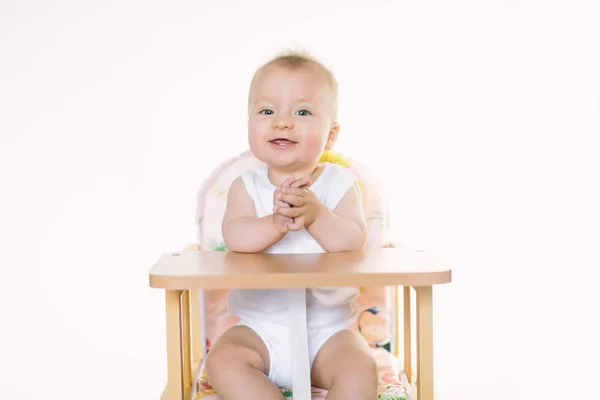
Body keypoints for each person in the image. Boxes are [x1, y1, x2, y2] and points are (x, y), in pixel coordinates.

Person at [204, 50, 378, 400]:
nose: (282, 122)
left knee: (361, 367)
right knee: (223, 361)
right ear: (250, 125)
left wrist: (317, 216)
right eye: (267, 111)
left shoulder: (339, 183)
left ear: (331, 135)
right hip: (259, 330)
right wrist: (276, 223)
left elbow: (353, 241)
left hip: (328, 331)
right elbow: (235, 238)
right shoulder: (246, 186)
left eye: (302, 112)